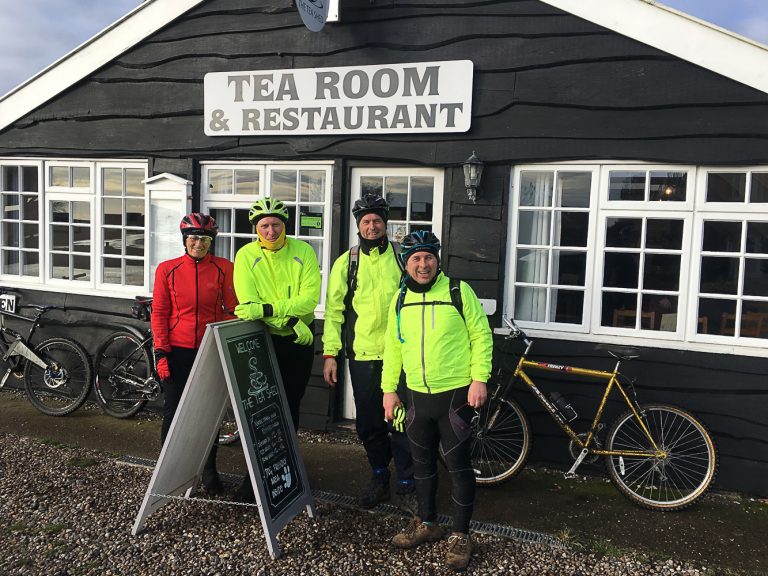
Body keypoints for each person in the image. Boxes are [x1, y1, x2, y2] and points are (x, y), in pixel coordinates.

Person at [381, 230, 492, 572]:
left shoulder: (458, 292)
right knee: (422, 465)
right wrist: (388, 389)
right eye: (415, 258)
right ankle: (427, 523)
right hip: (416, 395)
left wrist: (479, 379)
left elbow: (480, 334)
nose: (423, 264)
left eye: (428, 257)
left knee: (459, 468)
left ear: (437, 259)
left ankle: (460, 534)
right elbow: (393, 347)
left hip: (456, 395)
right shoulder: (400, 299)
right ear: (406, 263)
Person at [322, 194, 414, 509]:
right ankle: (378, 475)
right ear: (358, 226)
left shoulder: (403, 258)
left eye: (377, 220)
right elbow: (335, 311)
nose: (372, 226)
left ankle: (406, 480)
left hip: (399, 354)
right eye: (366, 222)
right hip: (362, 355)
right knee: (369, 423)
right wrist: (331, 353)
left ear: (385, 223)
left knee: (400, 419)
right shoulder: (347, 262)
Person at [152, 212, 237, 494]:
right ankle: (171, 471)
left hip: (209, 349)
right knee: (173, 412)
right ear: (184, 240)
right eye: (193, 238)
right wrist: (161, 352)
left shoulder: (226, 268)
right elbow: (161, 312)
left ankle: (209, 468)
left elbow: (232, 308)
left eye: (204, 239)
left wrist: (224, 339)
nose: (198, 244)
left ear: (211, 242)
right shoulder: (167, 269)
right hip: (177, 349)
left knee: (208, 412)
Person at [233, 198, 321, 431]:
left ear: (285, 225)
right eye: (264, 226)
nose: (271, 231)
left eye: (276, 225)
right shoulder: (245, 255)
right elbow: (249, 303)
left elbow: (309, 300)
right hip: (263, 335)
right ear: (256, 228)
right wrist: (290, 319)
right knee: (262, 399)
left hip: (299, 337)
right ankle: (261, 463)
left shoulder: (304, 251)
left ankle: (287, 457)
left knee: (293, 398)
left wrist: (267, 309)